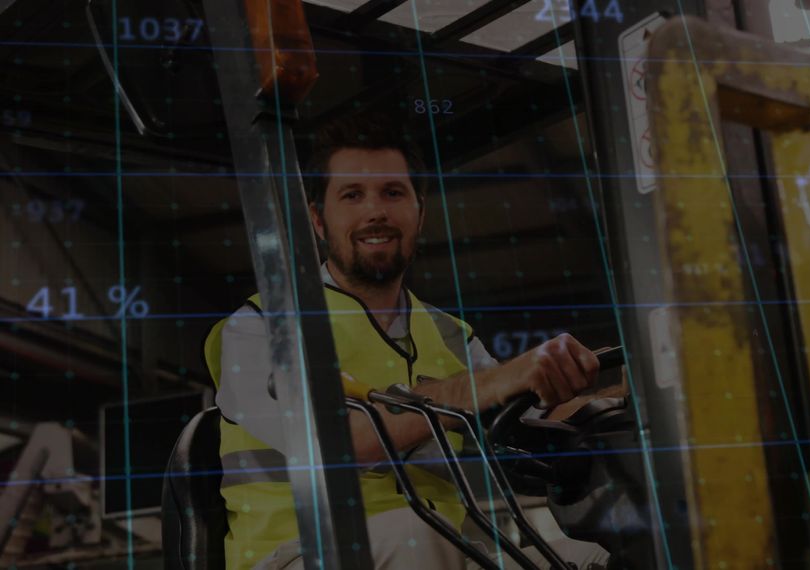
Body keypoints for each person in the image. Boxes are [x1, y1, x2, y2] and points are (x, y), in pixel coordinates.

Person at [203, 114, 610, 570]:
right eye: (352, 195)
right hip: (293, 555)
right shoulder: (260, 327)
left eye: (393, 193)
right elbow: (333, 445)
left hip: (432, 547)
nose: (375, 210)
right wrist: (483, 385)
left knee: (595, 556)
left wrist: (642, 388)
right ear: (318, 221)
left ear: (420, 212)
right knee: (416, 539)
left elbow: (543, 414)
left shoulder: (451, 334)